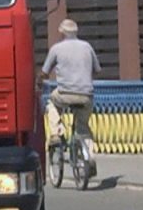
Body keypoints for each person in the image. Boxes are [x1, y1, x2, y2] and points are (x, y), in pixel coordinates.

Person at [41, 18, 101, 170]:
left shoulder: (56, 48)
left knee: (52, 103)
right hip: (86, 95)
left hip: (64, 93)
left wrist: (38, 82)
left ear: (61, 33)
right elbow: (97, 70)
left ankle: (55, 133)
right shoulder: (87, 47)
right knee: (83, 127)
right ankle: (90, 157)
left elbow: (44, 72)